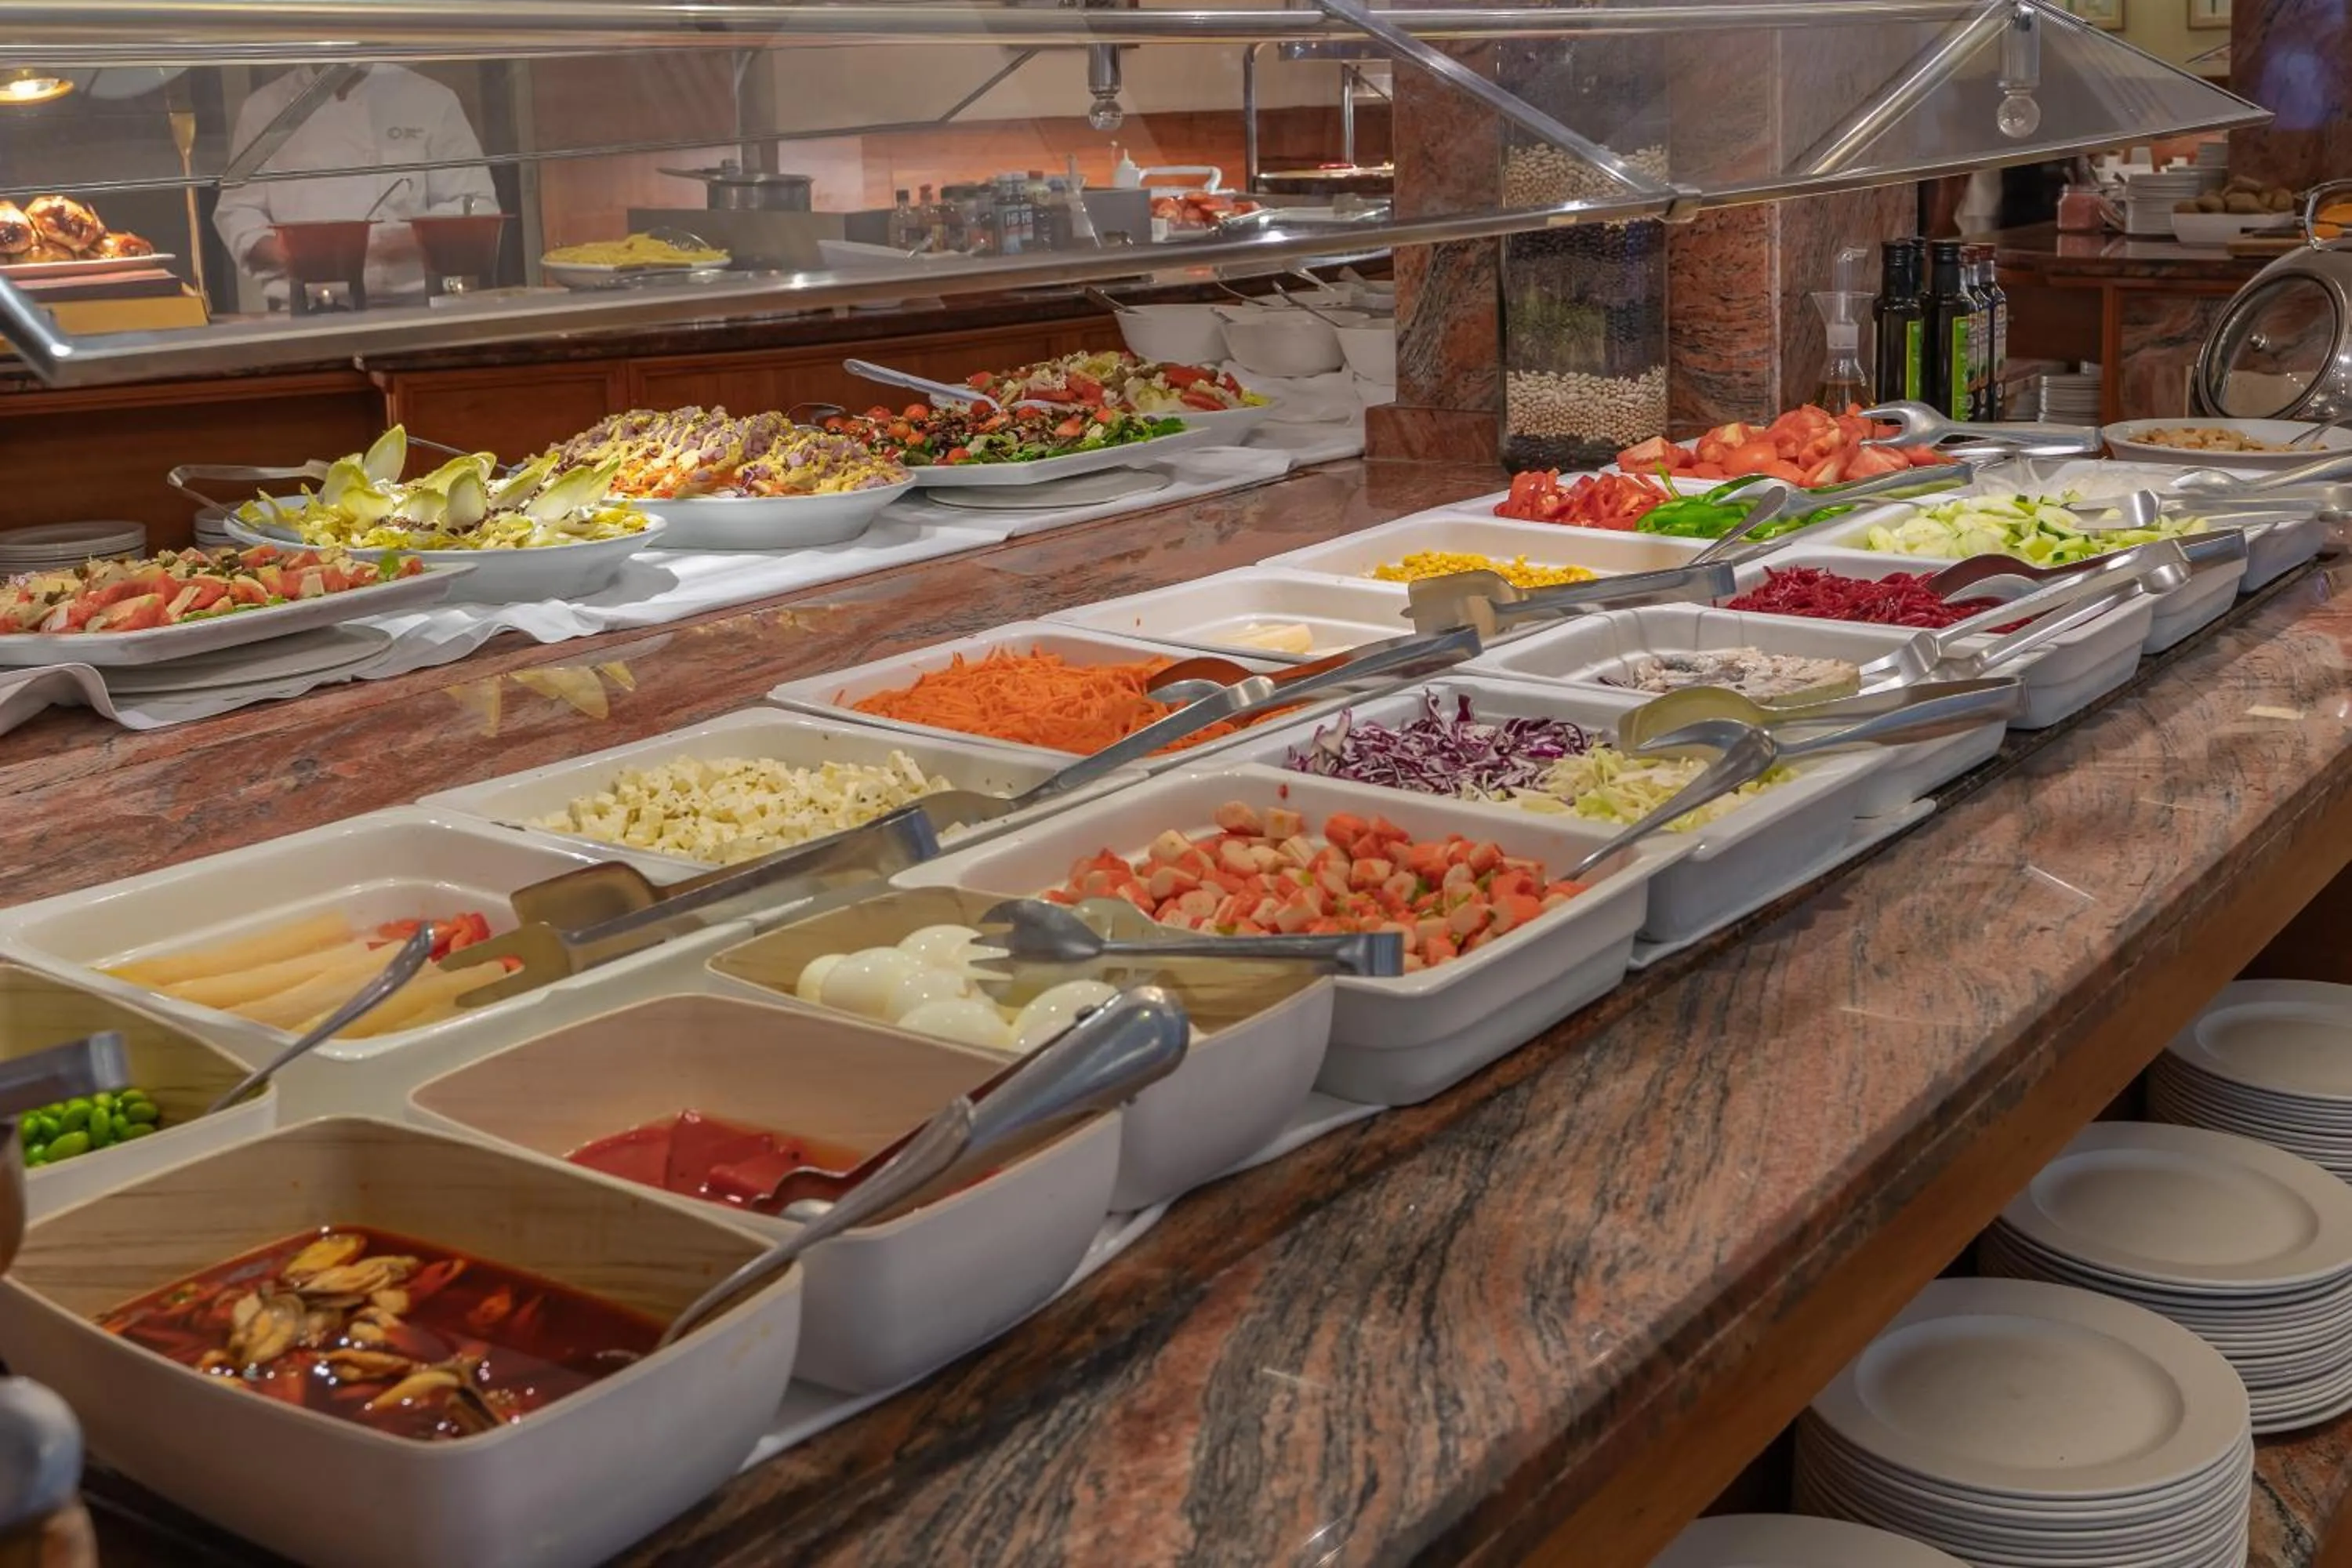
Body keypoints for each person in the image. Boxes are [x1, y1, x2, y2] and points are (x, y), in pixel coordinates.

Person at [212, 64, 498, 305]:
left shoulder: (430, 99)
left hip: (416, 307)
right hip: (301, 311)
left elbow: (477, 207)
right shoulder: (265, 108)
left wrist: (400, 241)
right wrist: (293, 255)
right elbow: (238, 211)